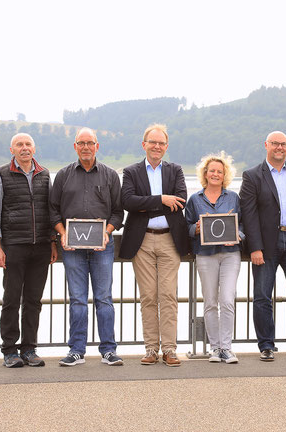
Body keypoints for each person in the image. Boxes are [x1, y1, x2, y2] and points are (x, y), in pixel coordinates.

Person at [50, 127, 124, 366]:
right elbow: (53, 211)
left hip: (103, 246)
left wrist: (106, 233)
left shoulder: (111, 175)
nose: (85, 147)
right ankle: (76, 350)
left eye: (90, 143)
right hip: (72, 248)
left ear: (97, 146)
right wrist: (62, 234)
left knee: (104, 298)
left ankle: (109, 350)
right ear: (75, 146)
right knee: (78, 299)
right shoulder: (62, 175)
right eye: (81, 143)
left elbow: (117, 213)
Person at [239, 131, 286, 362]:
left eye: (283, 144)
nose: (279, 147)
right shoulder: (252, 175)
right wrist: (255, 247)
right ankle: (266, 346)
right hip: (265, 244)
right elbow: (248, 215)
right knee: (262, 296)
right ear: (266, 145)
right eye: (275, 143)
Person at [119, 124, 189, 367]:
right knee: (148, 296)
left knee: (168, 295)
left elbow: (180, 201)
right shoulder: (131, 171)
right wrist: (161, 200)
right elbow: (128, 201)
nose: (157, 146)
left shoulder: (176, 170)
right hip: (143, 241)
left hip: (170, 239)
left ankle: (169, 349)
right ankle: (151, 348)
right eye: (152, 142)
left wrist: (145, 204)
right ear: (144, 145)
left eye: (161, 143)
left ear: (166, 147)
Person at [0, 133, 57, 368]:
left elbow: (51, 211)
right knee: (11, 299)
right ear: (12, 149)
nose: (24, 148)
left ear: (34, 149)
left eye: (28, 144)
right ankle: (9, 350)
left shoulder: (45, 174)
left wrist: (53, 243)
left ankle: (29, 349)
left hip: (41, 248)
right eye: (19, 145)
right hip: (14, 246)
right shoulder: (1, 174)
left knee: (34, 301)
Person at [185, 152, 243, 364]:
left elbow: (243, 226)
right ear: (205, 174)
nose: (215, 174)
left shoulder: (233, 198)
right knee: (210, 302)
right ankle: (215, 348)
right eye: (212, 171)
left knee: (227, 300)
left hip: (230, 255)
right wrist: (196, 229)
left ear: (224, 174)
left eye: (219, 171)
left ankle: (227, 348)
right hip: (205, 255)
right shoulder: (194, 199)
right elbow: (187, 226)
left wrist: (238, 235)